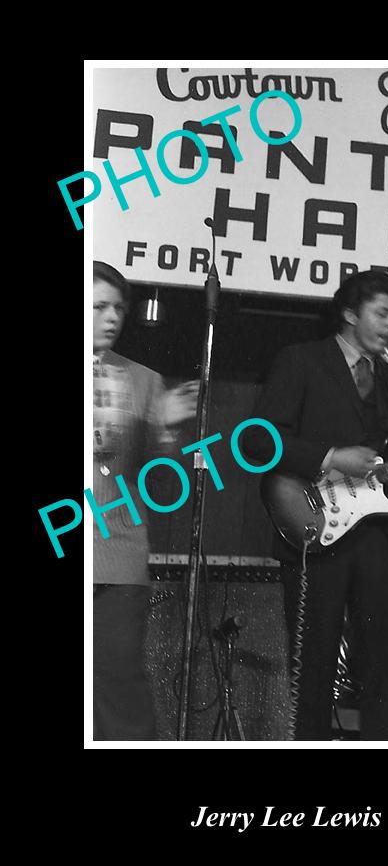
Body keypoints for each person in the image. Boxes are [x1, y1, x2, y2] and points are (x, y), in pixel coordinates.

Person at [250, 271, 388, 740]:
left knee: (384, 662)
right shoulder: (301, 361)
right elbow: (259, 440)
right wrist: (331, 457)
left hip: (379, 538)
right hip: (315, 524)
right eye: (382, 313)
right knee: (313, 662)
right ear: (351, 314)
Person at [92, 261, 198, 740]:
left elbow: (162, 485)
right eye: (98, 306)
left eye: (118, 308)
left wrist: (164, 430)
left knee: (117, 689)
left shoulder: (145, 380)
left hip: (116, 556)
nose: (112, 317)